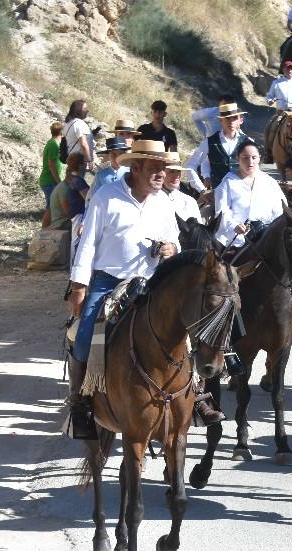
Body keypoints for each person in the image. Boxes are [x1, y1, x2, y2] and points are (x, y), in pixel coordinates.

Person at [65, 140, 182, 439]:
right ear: (137, 167)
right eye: (155, 168)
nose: (161, 174)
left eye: (163, 168)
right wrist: (79, 287)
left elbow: (175, 241)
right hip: (109, 281)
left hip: (154, 282)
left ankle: (196, 393)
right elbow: (87, 243)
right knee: (84, 335)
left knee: (189, 328)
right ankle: (80, 402)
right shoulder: (105, 197)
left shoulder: (163, 202)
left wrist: (171, 248)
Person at [213, 141, 289, 247]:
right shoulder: (228, 182)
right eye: (245, 158)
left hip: (266, 237)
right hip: (235, 238)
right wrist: (234, 226)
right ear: (238, 158)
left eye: (254, 157)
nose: (250, 162)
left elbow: (280, 210)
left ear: (259, 159)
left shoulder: (270, 182)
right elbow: (222, 212)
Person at [186, 102, 253, 195]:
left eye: (234, 118)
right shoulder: (209, 142)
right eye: (227, 118)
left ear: (240, 120)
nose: (231, 122)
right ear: (221, 120)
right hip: (217, 195)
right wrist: (201, 190)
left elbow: (255, 169)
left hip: (243, 194)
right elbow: (190, 165)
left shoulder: (248, 142)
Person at [50, 152, 90, 231]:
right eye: (85, 162)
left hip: (60, 222)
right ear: (80, 165)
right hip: (63, 223)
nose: (87, 165)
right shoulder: (76, 182)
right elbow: (90, 200)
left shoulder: (68, 181)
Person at [40, 121, 65, 226]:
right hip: (50, 181)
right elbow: (51, 165)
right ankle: (44, 230)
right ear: (61, 132)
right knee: (51, 207)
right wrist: (58, 181)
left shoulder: (53, 143)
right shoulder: (54, 145)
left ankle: (49, 228)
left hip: (50, 180)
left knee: (53, 206)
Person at [62, 99, 95, 173]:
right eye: (85, 108)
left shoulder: (68, 123)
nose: (88, 110)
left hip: (71, 160)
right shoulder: (80, 124)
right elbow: (83, 144)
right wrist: (89, 160)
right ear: (78, 110)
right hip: (79, 162)